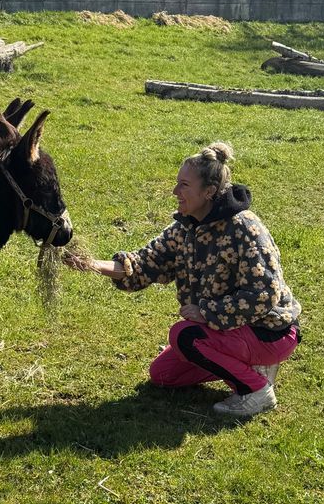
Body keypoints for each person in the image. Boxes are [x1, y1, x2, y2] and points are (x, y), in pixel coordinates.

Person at [68, 142, 300, 417]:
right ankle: (249, 368)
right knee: (163, 374)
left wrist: (206, 312)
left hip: (270, 332)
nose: (175, 192)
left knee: (185, 335)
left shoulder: (244, 228)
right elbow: (144, 264)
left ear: (209, 191)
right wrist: (92, 265)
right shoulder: (185, 228)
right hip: (227, 331)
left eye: (184, 185)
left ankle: (256, 391)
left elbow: (263, 294)